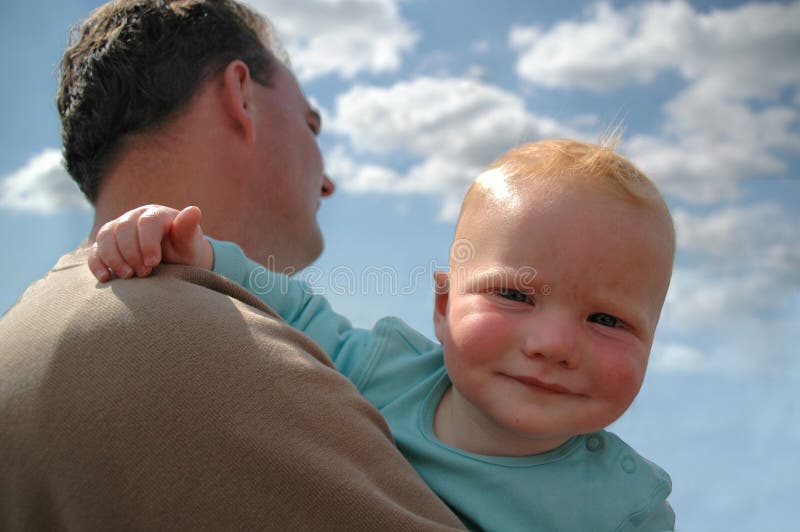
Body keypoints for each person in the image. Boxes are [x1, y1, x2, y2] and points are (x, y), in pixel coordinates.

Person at [0, 1, 466, 530]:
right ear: (241, 94)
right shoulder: (214, 353)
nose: (329, 183)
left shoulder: (20, 341)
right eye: (311, 127)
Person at [91, 138, 678, 531]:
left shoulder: (627, 510)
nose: (553, 343)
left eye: (607, 320)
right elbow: (295, 310)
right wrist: (197, 252)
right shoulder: (384, 373)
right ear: (445, 306)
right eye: (515, 295)